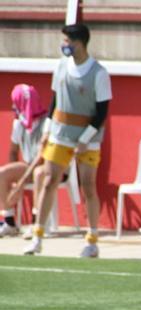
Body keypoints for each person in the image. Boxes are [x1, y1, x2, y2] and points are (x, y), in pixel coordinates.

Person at [24, 23, 112, 257]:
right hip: (60, 135)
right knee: (48, 179)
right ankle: (37, 237)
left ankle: (92, 240)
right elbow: (54, 102)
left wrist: (84, 139)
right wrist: (46, 130)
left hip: (87, 140)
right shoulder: (60, 67)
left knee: (88, 186)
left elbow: (102, 112)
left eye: (67, 42)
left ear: (80, 43)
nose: (64, 46)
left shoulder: (99, 73)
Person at [0, 84, 48, 237]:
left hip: (47, 166)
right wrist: (16, 179)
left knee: (39, 174)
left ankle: (36, 224)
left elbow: (42, 157)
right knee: (2, 173)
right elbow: (13, 152)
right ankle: (9, 222)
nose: (14, 106)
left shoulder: (46, 122)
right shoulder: (18, 123)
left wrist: (20, 183)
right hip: (28, 166)